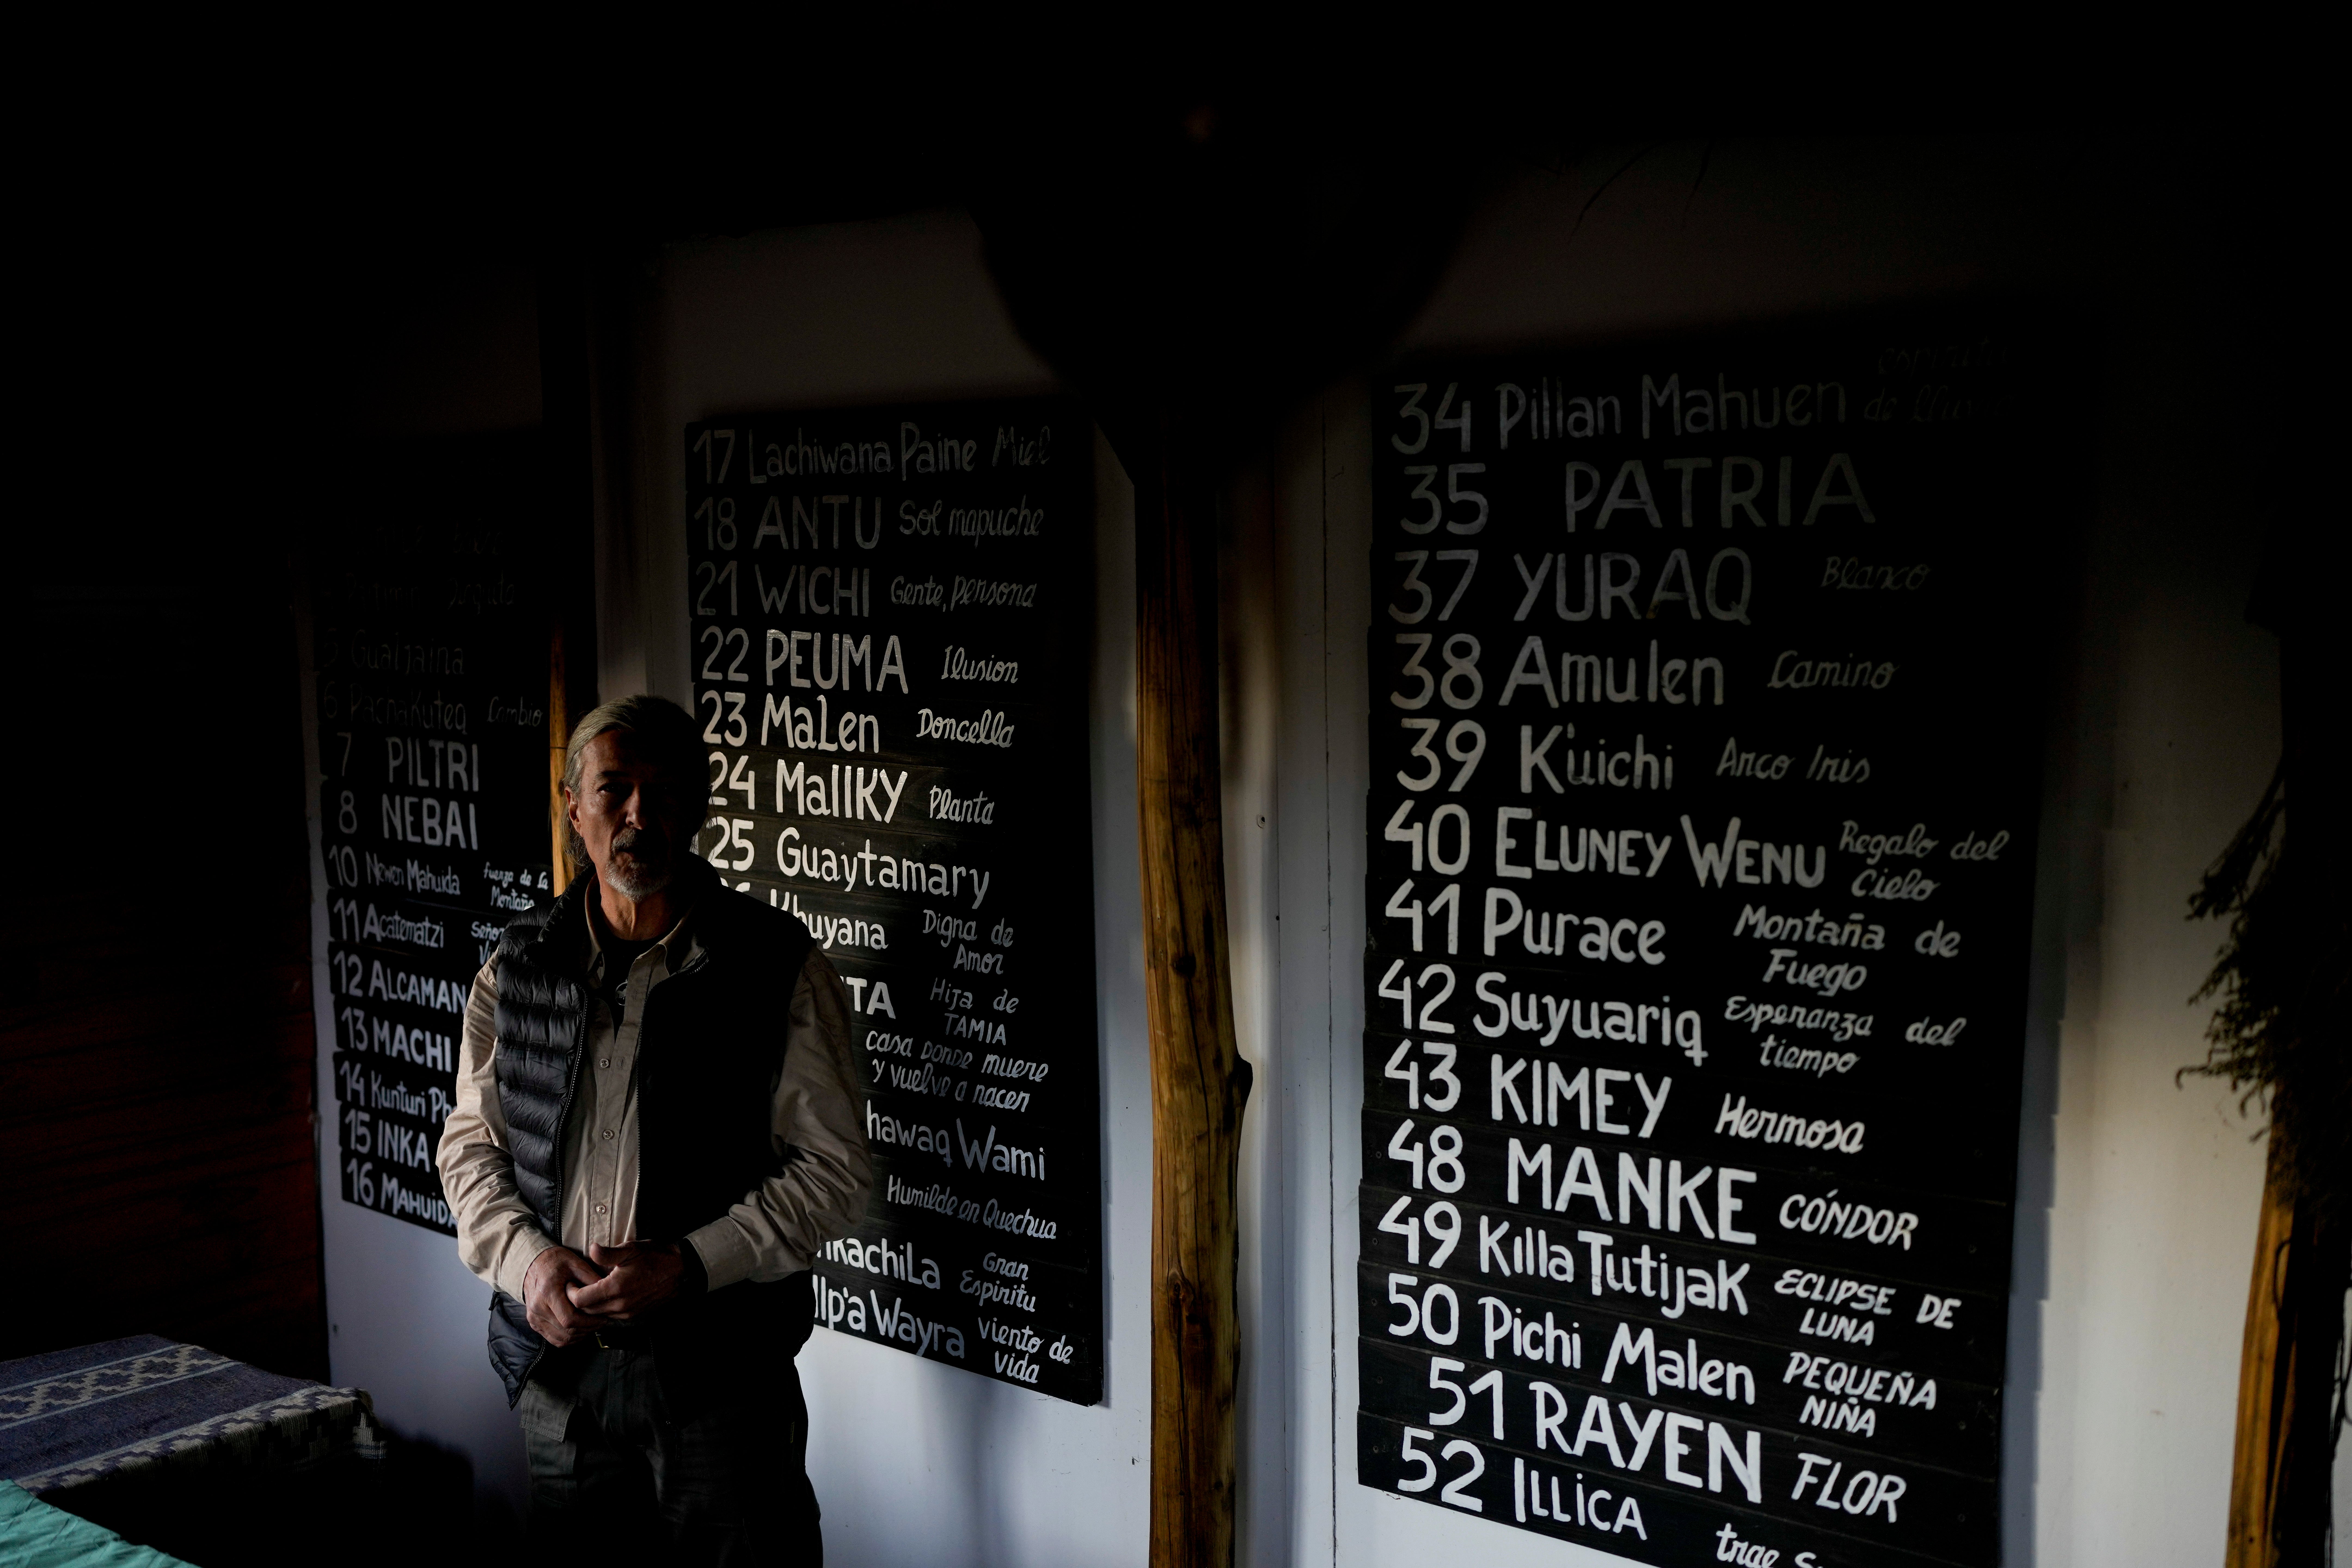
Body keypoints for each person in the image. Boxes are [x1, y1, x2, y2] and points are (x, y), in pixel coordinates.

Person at [437, 694, 870, 1563]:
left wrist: (693, 1268)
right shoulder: (515, 968)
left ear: (699, 808)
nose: (639, 813)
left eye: (666, 790)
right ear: (575, 809)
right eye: (615, 789)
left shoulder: (773, 963)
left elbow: (837, 1174)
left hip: (720, 1380)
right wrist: (529, 1266)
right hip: (561, 1376)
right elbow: (471, 1148)